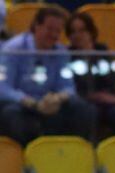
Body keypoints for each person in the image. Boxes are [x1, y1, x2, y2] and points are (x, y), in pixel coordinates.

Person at [0, 5, 95, 145]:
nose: (54, 35)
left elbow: (68, 86)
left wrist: (58, 97)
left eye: (58, 31)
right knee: (12, 115)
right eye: (50, 29)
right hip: (23, 104)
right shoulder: (13, 49)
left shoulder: (61, 52)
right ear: (36, 26)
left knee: (84, 109)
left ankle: (72, 153)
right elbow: (3, 88)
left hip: (50, 103)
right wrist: (29, 102)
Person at [63, 11, 115, 140]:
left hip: (107, 100)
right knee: (87, 112)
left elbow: (111, 80)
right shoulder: (66, 56)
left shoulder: (103, 52)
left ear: (91, 32)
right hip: (82, 101)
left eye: (82, 30)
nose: (77, 35)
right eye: (73, 32)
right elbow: (70, 86)